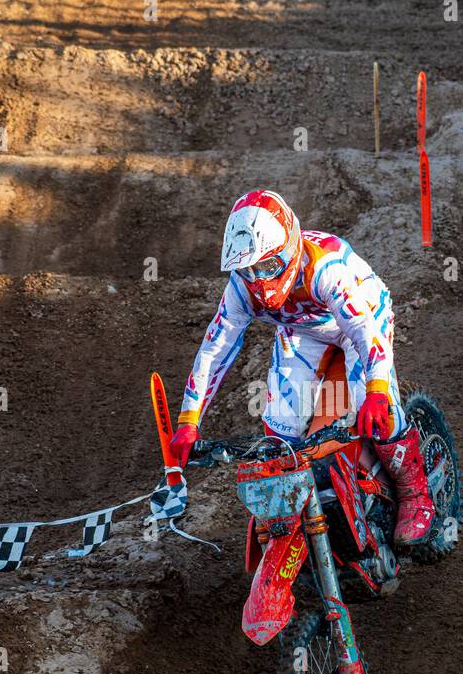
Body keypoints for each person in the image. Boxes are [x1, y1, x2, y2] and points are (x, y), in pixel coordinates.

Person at [169, 189, 434, 546]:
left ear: (290, 250)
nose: (259, 282)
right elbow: (215, 348)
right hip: (303, 332)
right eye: (248, 270)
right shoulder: (242, 289)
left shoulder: (325, 269)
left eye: (267, 266)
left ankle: (416, 492)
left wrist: (376, 392)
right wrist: (188, 421)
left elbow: (364, 332)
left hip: (362, 317)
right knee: (279, 431)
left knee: (375, 409)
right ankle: (294, 514)